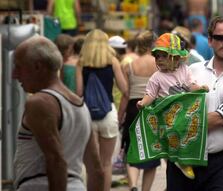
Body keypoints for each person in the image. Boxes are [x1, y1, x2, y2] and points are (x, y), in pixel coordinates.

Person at [166, 15, 223, 191]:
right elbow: (172, 105)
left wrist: (176, 125)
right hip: (182, 159)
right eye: (219, 37)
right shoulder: (192, 70)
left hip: (219, 164)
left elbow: (220, 119)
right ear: (210, 40)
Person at [13, 36, 104, 191]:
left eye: (19, 67)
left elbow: (56, 161)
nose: (14, 75)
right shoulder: (80, 106)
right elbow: (96, 170)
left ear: (37, 66)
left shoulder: (39, 102)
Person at [136, 33, 209, 180]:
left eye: (164, 56)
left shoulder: (184, 70)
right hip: (167, 114)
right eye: (157, 57)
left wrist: (201, 88)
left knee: (192, 131)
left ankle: (186, 160)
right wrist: (143, 103)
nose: (159, 59)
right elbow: (150, 94)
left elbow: (190, 85)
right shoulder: (156, 77)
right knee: (174, 132)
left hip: (184, 110)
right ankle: (179, 161)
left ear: (176, 57)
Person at [76, 29, 128, 191]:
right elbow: (125, 91)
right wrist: (120, 115)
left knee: (92, 165)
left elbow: (78, 93)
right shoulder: (112, 61)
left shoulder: (81, 62)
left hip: (87, 115)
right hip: (108, 114)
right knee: (106, 163)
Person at [118, 30, 160, 191]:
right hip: (152, 109)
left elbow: (125, 94)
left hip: (132, 109)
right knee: (152, 153)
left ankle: (133, 185)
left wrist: (120, 115)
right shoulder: (158, 63)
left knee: (132, 150)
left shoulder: (129, 65)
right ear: (153, 44)